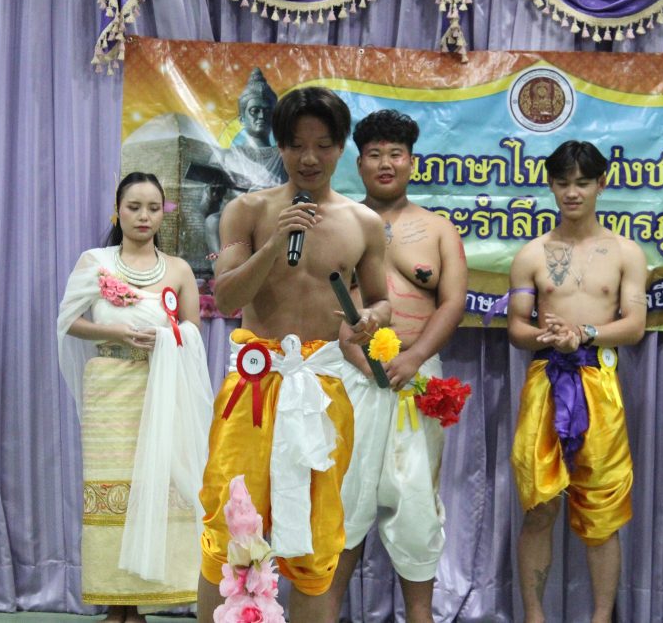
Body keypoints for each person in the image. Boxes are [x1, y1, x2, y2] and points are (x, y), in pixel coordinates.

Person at [196, 87, 391, 623]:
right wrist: (272, 245)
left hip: (323, 391)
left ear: (341, 148)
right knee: (229, 527)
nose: (309, 158)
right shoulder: (246, 210)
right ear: (279, 146)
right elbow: (227, 297)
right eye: (297, 145)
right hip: (253, 390)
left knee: (317, 540)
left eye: (323, 145)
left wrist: (371, 319)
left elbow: (381, 300)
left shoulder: (363, 223)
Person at [323, 110, 467, 623]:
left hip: (418, 377)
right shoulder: (340, 223)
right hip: (352, 375)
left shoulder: (438, 229)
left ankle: (420, 617)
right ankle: (325, 615)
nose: (386, 163)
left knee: (416, 504)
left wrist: (415, 357)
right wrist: (355, 354)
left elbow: (452, 302)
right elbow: (328, 300)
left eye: (396, 154)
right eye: (375, 154)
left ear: (412, 162)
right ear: (358, 163)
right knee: (344, 502)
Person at [57, 172, 213, 623]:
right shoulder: (96, 262)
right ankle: (115, 605)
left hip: (162, 389)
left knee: (155, 489)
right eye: (134, 207)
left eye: (153, 208)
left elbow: (192, 331)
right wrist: (117, 332)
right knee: (111, 491)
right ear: (118, 211)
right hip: (109, 387)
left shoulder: (179, 269)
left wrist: (165, 338)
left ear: (163, 214)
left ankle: (143, 603)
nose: (144, 216)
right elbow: (69, 321)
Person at [506, 140, 647, 623]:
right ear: (550, 185)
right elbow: (517, 328)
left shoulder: (626, 252)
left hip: (599, 381)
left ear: (601, 184)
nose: (572, 192)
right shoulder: (531, 253)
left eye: (583, 182)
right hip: (546, 379)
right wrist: (547, 337)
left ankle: (601, 617)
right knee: (539, 505)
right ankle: (534, 616)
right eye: (563, 182)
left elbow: (634, 326)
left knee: (602, 512)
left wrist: (584, 333)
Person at [199, 67, 285, 253]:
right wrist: (212, 196)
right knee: (213, 221)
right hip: (237, 220)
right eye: (254, 110)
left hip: (275, 220)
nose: (261, 116)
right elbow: (205, 210)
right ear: (242, 118)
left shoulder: (285, 155)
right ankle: (223, 267)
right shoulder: (225, 156)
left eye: (267, 111)